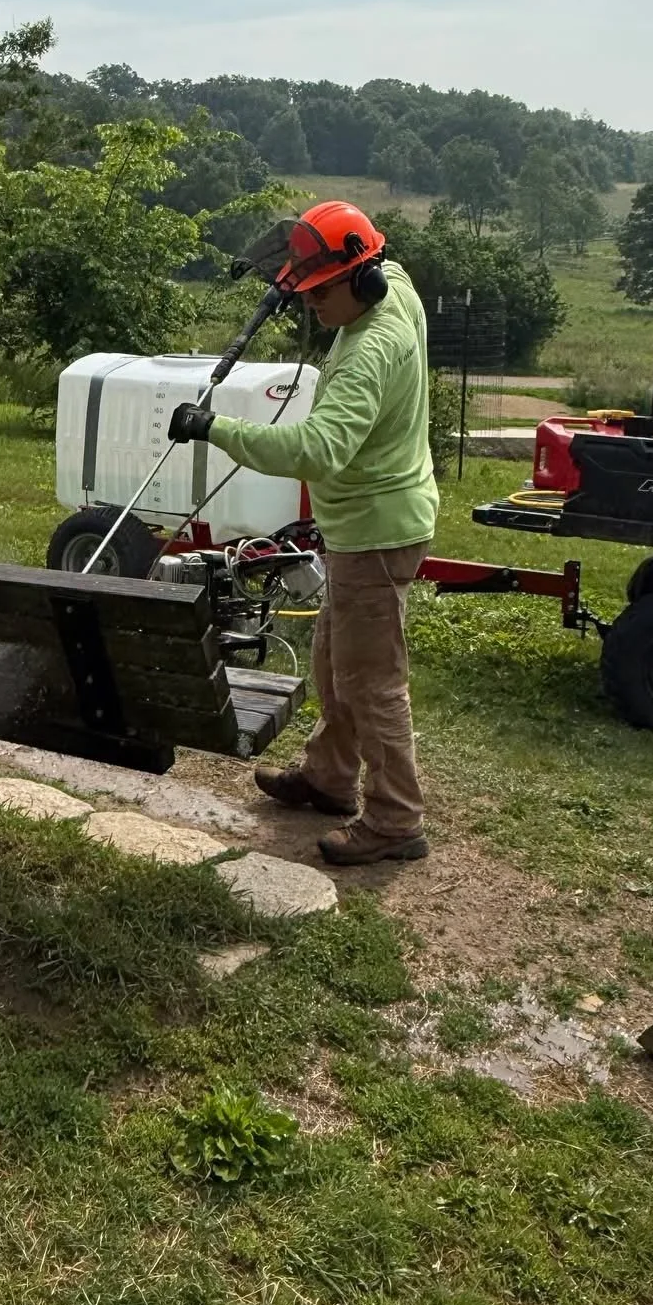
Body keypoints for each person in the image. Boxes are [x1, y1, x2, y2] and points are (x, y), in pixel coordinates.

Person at [168, 201, 439, 866]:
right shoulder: (391, 280)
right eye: (303, 289)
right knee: (331, 664)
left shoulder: (370, 351)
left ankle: (397, 821)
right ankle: (328, 778)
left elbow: (317, 451)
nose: (311, 305)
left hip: (379, 533)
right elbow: (348, 250)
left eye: (319, 292)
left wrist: (215, 429)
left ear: (360, 283)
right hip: (359, 529)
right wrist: (303, 270)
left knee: (370, 681)